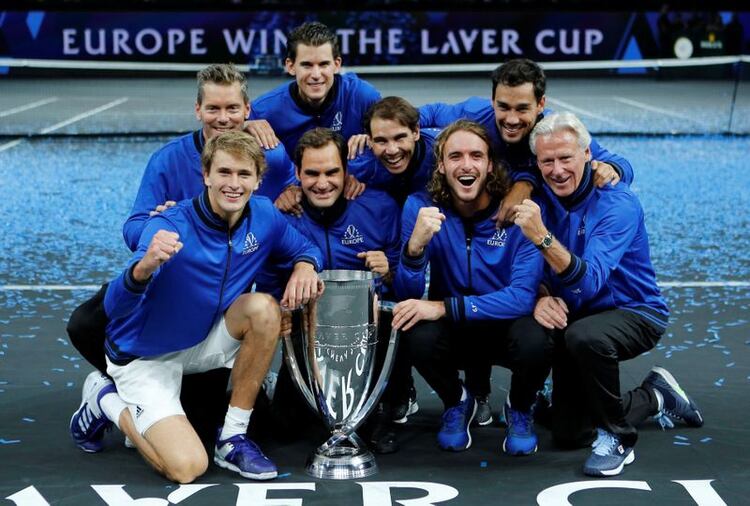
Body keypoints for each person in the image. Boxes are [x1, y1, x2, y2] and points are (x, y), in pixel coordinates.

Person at [69, 131, 324, 483]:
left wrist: (305, 267)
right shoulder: (168, 224)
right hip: (144, 358)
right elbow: (114, 306)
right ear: (205, 175)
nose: (233, 184)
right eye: (224, 173)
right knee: (187, 468)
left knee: (264, 309)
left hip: (203, 342)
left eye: (243, 174)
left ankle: (232, 438)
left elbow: (307, 248)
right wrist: (142, 269)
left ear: (258, 180)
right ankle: (106, 400)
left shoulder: (264, 215)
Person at [419, 58, 634, 420]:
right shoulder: (475, 116)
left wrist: (612, 169)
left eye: (522, 108)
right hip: (476, 218)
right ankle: (475, 393)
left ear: (541, 105)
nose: (512, 118)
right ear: (492, 103)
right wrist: (369, 130)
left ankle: (526, 399)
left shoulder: (557, 135)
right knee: (467, 279)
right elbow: (422, 115)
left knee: (568, 420)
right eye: (503, 107)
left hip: (522, 232)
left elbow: (618, 165)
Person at [513, 112, 703, 477]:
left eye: (566, 158)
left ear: (588, 155)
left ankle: (617, 438)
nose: (557, 170)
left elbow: (589, 282)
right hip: (578, 313)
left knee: (584, 336)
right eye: (547, 161)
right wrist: (539, 294)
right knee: (569, 434)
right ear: (536, 163)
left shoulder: (617, 204)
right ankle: (655, 395)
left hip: (634, 311)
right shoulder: (541, 197)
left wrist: (541, 236)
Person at [392, 120, 552, 456]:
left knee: (538, 338)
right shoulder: (419, 208)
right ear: (441, 165)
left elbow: (522, 298)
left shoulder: (519, 214)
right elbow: (406, 292)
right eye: (456, 156)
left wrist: (442, 307)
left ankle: (519, 407)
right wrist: (414, 249)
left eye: (476, 156)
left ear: (489, 165)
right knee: (413, 330)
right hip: (456, 334)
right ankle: (457, 401)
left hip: (504, 324)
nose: (466, 165)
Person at [253, 128, 402, 451]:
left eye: (332, 172)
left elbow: (407, 283)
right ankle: (272, 390)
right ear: (296, 174)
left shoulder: (380, 207)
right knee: (284, 429)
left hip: (367, 336)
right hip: (307, 336)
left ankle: (384, 406)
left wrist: (389, 271)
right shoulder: (281, 218)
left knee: (399, 317)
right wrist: (279, 309)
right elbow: (265, 286)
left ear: (346, 172)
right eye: (312, 173)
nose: (322, 183)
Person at [247, 21, 380, 161]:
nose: (316, 75)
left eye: (323, 64)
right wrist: (243, 126)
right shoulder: (263, 111)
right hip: (294, 182)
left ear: (336, 65)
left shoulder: (363, 97)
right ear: (290, 66)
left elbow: (396, 136)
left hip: (353, 180)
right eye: (307, 65)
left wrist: (373, 140)